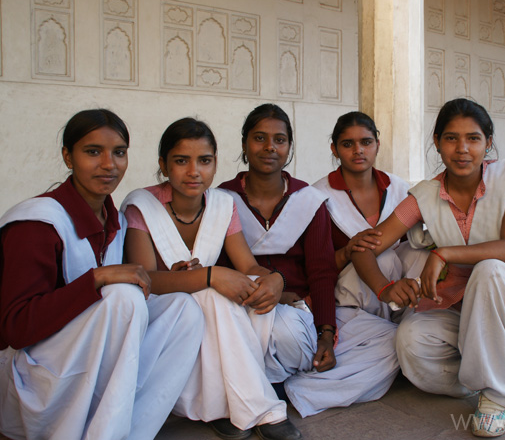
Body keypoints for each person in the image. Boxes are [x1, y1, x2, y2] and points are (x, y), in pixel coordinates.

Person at [0, 109, 203, 440]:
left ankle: (126, 432)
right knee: (123, 297)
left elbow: (131, 281)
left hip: (70, 367)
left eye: (118, 152)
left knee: (183, 311)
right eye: (92, 152)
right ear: (67, 157)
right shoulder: (37, 224)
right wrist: (96, 279)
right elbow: (17, 328)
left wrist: (167, 276)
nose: (108, 164)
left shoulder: (112, 218)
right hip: (21, 380)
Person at [351, 99, 505, 437]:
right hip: (459, 308)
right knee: (409, 340)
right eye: (451, 139)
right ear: (437, 143)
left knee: (489, 270)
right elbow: (366, 247)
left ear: (488, 142)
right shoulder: (426, 195)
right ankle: (481, 374)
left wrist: (443, 253)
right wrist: (384, 288)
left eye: (473, 139)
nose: (462, 149)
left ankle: (498, 395)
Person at [122, 117, 301, 440]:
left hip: (209, 307)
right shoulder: (142, 206)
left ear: (215, 163)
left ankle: (221, 406)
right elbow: (145, 281)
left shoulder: (222, 204)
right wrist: (209, 276)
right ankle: (264, 409)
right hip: (165, 317)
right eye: (181, 161)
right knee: (211, 295)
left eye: (204, 161)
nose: (194, 172)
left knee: (245, 293)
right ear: (163, 165)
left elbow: (248, 264)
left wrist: (274, 279)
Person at [218, 104, 399, 418]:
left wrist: (326, 333)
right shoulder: (223, 199)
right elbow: (220, 264)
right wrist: (282, 298)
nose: (270, 147)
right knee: (283, 330)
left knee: (391, 340)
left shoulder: (307, 199)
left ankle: (291, 389)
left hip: (307, 309)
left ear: (289, 147)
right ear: (246, 144)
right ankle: (281, 376)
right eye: (259, 138)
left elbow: (321, 269)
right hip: (249, 307)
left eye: (279, 139)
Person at [312, 111, 425, 320]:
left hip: (401, 291)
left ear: (377, 145)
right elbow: (314, 265)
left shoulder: (398, 188)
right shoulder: (318, 196)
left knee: (419, 254)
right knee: (385, 258)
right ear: (334, 149)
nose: (358, 151)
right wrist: (347, 251)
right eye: (347, 144)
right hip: (350, 299)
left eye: (366, 142)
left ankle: (414, 315)